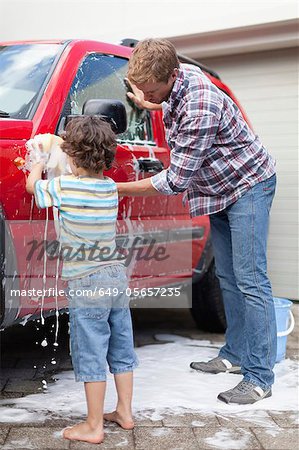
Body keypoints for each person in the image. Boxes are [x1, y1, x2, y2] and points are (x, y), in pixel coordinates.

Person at [117, 38, 277, 405]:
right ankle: (234, 355)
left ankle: (259, 377)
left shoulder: (201, 104)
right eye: (141, 89)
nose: (146, 95)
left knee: (251, 279)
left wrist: (118, 189)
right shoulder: (175, 79)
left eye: (152, 90)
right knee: (228, 278)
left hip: (247, 185)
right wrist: (149, 100)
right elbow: (165, 99)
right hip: (219, 188)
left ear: (172, 75)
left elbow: (175, 181)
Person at [26, 116, 138, 444]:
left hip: (87, 281)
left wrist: (37, 161)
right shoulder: (108, 188)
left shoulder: (65, 186)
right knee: (120, 344)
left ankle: (93, 425)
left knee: (91, 348)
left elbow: (33, 188)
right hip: (115, 276)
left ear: (71, 157)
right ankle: (124, 412)